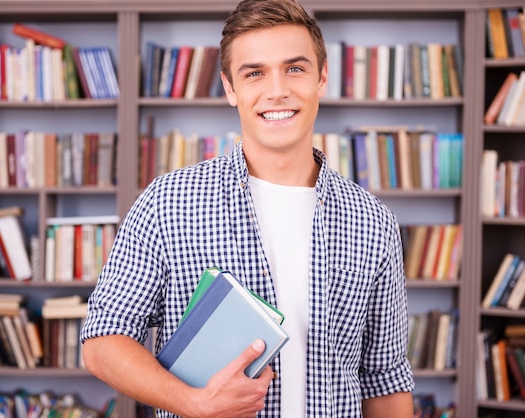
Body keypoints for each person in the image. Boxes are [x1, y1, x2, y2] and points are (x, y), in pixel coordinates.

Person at [80, 0, 415, 416]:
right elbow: (103, 341)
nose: (277, 90)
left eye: (295, 68)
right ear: (230, 88)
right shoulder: (167, 203)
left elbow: (384, 378)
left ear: (322, 77)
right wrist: (194, 403)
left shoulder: (372, 220)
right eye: (254, 73)